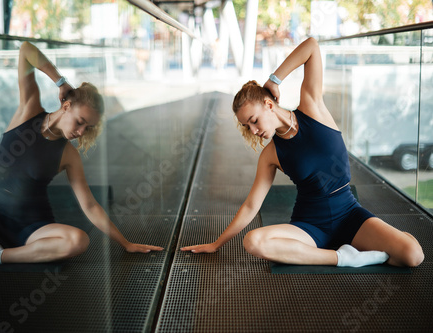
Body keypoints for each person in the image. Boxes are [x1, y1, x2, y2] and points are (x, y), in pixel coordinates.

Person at [181, 37, 424, 268]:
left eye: (254, 120)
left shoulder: (311, 107)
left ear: (268, 104)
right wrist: (216, 244)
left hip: (349, 214)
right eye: (247, 126)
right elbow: (250, 206)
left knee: (413, 255)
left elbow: (311, 46)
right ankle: (343, 257)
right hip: (309, 225)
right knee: (253, 241)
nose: (253, 130)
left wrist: (275, 79)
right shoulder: (271, 154)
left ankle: (360, 245)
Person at [0, 41, 163, 265]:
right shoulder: (29, 110)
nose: (81, 131)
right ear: (66, 106)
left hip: (34, 228)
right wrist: (60, 81)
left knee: (78, 241)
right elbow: (25, 50)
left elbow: (90, 205)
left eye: (88, 128)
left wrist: (125, 243)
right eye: (80, 122)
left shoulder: (68, 155)